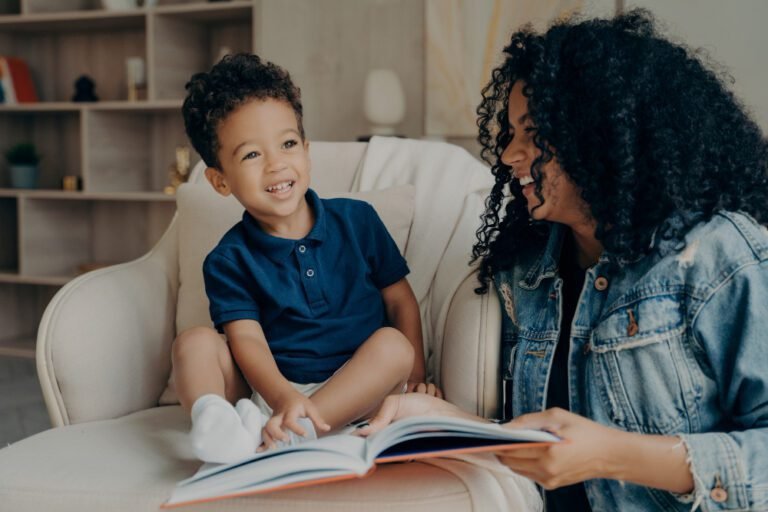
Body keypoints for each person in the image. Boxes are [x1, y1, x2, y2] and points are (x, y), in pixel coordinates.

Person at [359, 9, 768, 512]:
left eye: (533, 135)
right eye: (510, 134)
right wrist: (438, 417)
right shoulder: (526, 273)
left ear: (603, 136)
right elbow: (544, 444)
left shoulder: (718, 258)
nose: (509, 155)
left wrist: (614, 456)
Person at [174, 53, 436, 464]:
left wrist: (417, 375)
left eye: (288, 144)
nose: (277, 163)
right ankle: (215, 423)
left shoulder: (358, 221)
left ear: (307, 151)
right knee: (194, 343)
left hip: (358, 390)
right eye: (251, 155)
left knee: (393, 345)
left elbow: (400, 301)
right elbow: (248, 342)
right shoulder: (228, 258)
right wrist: (284, 398)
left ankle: (296, 435)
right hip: (269, 394)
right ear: (220, 180)